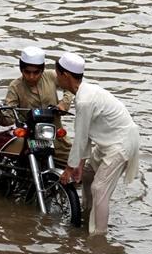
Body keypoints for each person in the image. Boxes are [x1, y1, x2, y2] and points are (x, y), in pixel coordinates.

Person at [54, 53, 140, 236]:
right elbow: (86, 136)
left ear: (65, 76)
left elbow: (80, 138)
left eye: (57, 74)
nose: (56, 79)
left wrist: (69, 169)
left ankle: (98, 237)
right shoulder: (85, 92)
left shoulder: (84, 100)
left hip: (120, 144)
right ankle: (87, 214)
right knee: (86, 175)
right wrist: (80, 165)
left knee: (99, 188)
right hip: (108, 141)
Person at [0, 46, 73, 156]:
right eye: (27, 72)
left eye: (36, 72)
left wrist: (64, 103)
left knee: (75, 164)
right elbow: (9, 118)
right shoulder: (15, 87)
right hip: (30, 141)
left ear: (43, 69)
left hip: (56, 139)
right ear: (21, 69)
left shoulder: (51, 76)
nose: (31, 77)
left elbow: (70, 86)